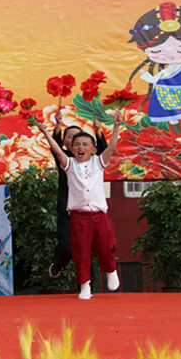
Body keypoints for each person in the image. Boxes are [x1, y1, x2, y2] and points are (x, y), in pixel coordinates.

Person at [37, 112, 123, 300]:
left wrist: (116, 126)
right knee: (81, 252)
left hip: (100, 216)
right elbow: (57, 150)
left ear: (93, 149)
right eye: (76, 144)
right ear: (71, 148)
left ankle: (110, 270)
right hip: (79, 218)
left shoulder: (99, 162)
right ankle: (85, 285)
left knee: (105, 248)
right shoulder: (69, 164)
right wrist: (46, 133)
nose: (80, 147)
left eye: (85, 144)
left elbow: (111, 147)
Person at [48, 111, 106, 279]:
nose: (76, 141)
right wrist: (58, 125)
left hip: (88, 211)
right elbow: (55, 147)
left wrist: (98, 131)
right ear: (67, 144)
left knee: (86, 249)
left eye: (79, 138)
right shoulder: (65, 159)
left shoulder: (93, 161)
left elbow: (103, 151)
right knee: (67, 247)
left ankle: (88, 284)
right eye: (71, 137)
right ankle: (58, 263)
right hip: (67, 210)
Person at [128, 2, 181, 130]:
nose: (169, 57)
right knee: (169, 115)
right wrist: (146, 75)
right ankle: (174, 126)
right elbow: (155, 80)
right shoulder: (164, 72)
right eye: (156, 51)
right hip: (164, 96)